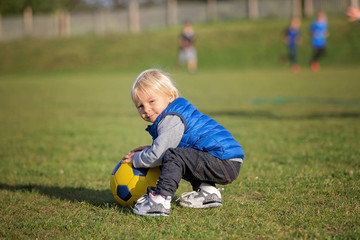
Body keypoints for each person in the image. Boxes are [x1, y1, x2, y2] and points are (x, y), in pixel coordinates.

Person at [122, 69, 244, 217]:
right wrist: (152, 148)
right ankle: (208, 193)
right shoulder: (174, 113)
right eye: (140, 106)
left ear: (170, 96)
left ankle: (159, 201)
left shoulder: (171, 117)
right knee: (178, 156)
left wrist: (137, 158)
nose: (146, 109)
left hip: (223, 159)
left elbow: (160, 155)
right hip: (228, 161)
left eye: (151, 101)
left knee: (173, 156)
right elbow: (177, 146)